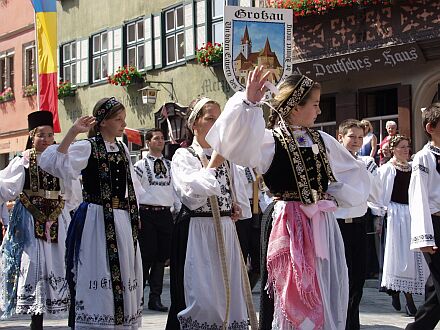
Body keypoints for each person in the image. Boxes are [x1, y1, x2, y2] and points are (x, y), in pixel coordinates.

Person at [206, 68, 370, 329]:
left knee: (319, 284)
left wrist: (336, 197)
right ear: (295, 107)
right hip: (286, 221)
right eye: (314, 105)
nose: (319, 111)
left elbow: (353, 172)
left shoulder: (322, 139)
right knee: (286, 288)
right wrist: (248, 103)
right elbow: (232, 143)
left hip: (320, 222)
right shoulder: (270, 140)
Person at [39, 97, 144, 329]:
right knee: (98, 265)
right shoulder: (88, 147)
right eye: (118, 119)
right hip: (96, 218)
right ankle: (97, 320)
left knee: (124, 269)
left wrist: (135, 215)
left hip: (121, 218)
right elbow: (50, 162)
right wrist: (73, 132)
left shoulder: (122, 148)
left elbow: (133, 186)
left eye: (123, 119)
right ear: (103, 122)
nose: (122, 123)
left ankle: (120, 321)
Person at [166, 96, 256, 329]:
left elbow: (235, 195)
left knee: (228, 294)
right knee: (202, 298)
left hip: (225, 231)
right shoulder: (184, 156)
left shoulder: (226, 158)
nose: (216, 125)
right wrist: (215, 162)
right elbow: (192, 196)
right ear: (194, 124)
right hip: (198, 232)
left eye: (219, 119)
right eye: (210, 119)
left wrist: (233, 206)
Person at [0, 111, 80, 329]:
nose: (45, 139)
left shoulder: (61, 159)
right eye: (41, 135)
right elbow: (5, 187)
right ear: (31, 135)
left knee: (60, 263)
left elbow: (72, 192)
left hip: (57, 219)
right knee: (34, 263)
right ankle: (36, 318)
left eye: (50, 135)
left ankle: (62, 311)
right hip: (28, 219)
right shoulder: (23, 161)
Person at [372, 135, 428, 317]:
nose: (406, 150)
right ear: (393, 149)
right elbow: (380, 194)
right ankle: (406, 299)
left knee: (413, 257)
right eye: (402, 147)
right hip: (396, 216)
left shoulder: (413, 168)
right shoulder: (387, 169)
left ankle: (399, 292)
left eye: (408, 147)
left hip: (411, 214)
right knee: (399, 257)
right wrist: (381, 215)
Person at [335, 119, 380, 330]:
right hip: (337, 226)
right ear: (340, 137)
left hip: (359, 225)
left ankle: (352, 324)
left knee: (358, 280)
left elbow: (377, 194)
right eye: (352, 137)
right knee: (340, 281)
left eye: (360, 137)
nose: (356, 141)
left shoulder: (365, 163)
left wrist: (367, 171)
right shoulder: (331, 162)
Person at [134, 128, 177, 312]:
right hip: (146, 213)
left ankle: (155, 298)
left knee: (162, 256)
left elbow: (175, 190)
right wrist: (135, 215)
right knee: (146, 255)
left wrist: (178, 210)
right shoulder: (140, 166)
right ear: (147, 143)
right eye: (156, 138)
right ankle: (138, 297)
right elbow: (134, 191)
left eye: (162, 138)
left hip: (165, 214)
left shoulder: (170, 165)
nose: (160, 141)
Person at [406, 103, 440, 330]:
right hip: (435, 224)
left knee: (435, 290)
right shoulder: (423, 157)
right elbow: (417, 197)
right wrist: (424, 237)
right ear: (431, 127)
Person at [235, 166, 272, 290]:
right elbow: (243, 179)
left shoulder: (257, 164)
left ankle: (246, 293)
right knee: (241, 256)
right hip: (241, 213)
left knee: (259, 260)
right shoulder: (237, 163)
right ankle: (239, 295)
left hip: (258, 210)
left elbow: (264, 188)